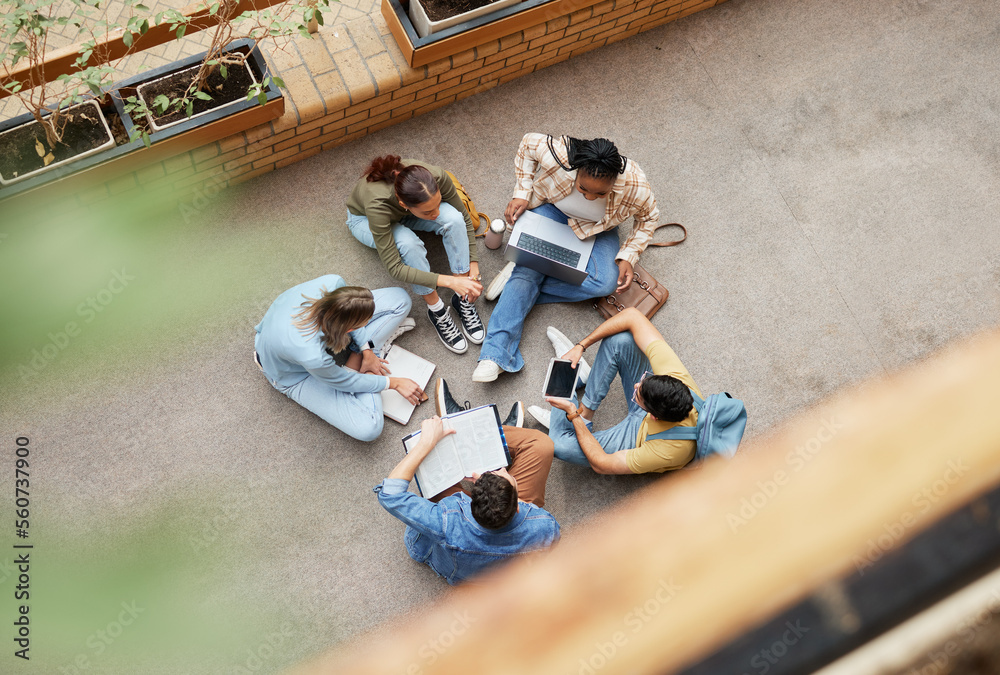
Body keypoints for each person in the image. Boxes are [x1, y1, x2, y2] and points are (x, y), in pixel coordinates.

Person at [473, 133, 663, 382]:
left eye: (600, 193)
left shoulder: (635, 184)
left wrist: (628, 255)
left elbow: (649, 217)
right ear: (576, 170)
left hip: (598, 228)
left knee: (605, 283)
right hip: (552, 210)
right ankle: (495, 355)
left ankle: (519, 281)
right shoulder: (560, 154)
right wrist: (521, 191)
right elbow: (528, 143)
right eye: (583, 188)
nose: (590, 197)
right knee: (528, 272)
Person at [374, 379, 560, 585]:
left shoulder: (445, 521)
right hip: (502, 562)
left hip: (454, 546)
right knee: (541, 445)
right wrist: (511, 484)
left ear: (469, 501)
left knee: (431, 459)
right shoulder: (546, 527)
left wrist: (426, 442)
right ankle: (498, 440)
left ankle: (455, 426)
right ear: (517, 507)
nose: (500, 472)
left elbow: (390, 494)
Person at [254, 274, 423, 442]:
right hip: (291, 375)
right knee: (370, 428)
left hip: (294, 334)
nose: (364, 325)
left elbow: (346, 315)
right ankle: (367, 367)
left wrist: (367, 350)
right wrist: (393, 383)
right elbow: (344, 382)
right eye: (361, 324)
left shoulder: (333, 282)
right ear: (347, 330)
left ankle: (362, 357)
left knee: (401, 299)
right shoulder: (313, 355)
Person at [532, 307, 700, 475]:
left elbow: (602, 464)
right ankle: (584, 414)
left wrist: (572, 414)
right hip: (658, 411)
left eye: (638, 394)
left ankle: (567, 412)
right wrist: (581, 346)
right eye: (644, 381)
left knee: (559, 445)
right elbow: (632, 315)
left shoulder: (667, 451)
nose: (635, 385)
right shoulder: (678, 377)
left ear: (653, 416)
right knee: (621, 340)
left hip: (642, 436)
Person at [347, 155, 485, 355]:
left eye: (438, 204)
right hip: (365, 220)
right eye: (430, 211)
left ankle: (462, 297)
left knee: (453, 219)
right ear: (403, 203)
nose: (437, 214)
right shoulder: (378, 205)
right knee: (408, 244)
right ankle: (436, 310)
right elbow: (395, 268)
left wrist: (473, 264)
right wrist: (449, 281)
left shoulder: (436, 177)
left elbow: (462, 215)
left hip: (410, 213)